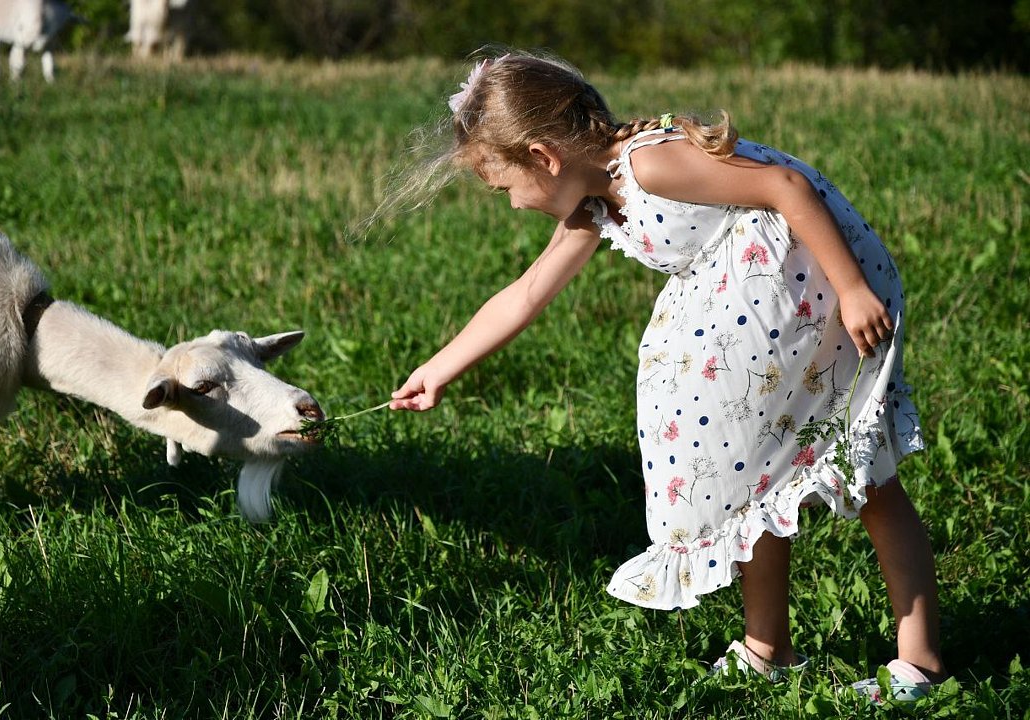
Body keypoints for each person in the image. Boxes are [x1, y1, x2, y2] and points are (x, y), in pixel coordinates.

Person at [386, 50, 947, 703]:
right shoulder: (598, 199)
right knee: (747, 471)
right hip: (753, 308)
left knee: (867, 471)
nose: (512, 206)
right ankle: (768, 648)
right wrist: (438, 369)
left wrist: (851, 289)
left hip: (817, 290)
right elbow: (530, 290)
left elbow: (784, 188)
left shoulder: (652, 162)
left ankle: (922, 663)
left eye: (504, 187)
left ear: (544, 156)